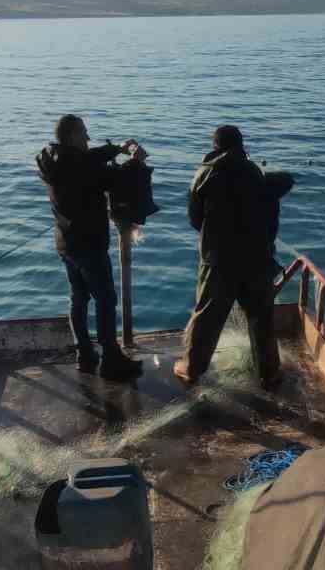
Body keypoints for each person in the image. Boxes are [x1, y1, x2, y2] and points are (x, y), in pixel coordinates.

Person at [174, 125, 292, 389]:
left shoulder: (204, 174)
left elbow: (195, 219)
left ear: (215, 146)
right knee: (260, 317)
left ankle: (191, 369)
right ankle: (269, 373)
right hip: (257, 259)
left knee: (207, 317)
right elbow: (282, 184)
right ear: (241, 145)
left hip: (219, 261)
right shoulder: (255, 173)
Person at [37, 114, 146, 379]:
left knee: (78, 298)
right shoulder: (82, 168)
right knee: (106, 299)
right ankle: (111, 358)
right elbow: (115, 178)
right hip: (89, 244)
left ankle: (85, 355)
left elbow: (86, 159)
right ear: (73, 136)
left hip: (66, 243)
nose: (88, 138)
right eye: (84, 133)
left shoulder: (54, 160)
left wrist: (116, 148)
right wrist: (136, 161)